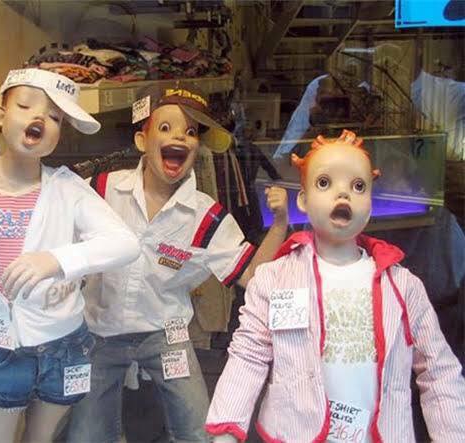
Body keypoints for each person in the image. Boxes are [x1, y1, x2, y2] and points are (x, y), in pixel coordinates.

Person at [0, 68, 140, 442]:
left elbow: (125, 243)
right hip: (3, 341)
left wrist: (55, 260)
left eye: (55, 117)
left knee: (41, 438)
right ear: (0, 114)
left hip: (66, 343)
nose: (40, 117)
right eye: (25, 105)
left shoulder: (67, 188)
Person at [205, 130, 465, 442]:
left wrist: (452, 434)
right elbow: (249, 355)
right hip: (295, 433)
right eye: (324, 183)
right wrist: (226, 428)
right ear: (303, 200)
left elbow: (438, 370)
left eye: (358, 186)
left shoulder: (402, 286)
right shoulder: (274, 279)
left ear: (370, 203)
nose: (343, 194)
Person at [66, 84, 289, 442]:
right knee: (86, 436)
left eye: (191, 132)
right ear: (142, 140)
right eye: (166, 127)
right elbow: (58, 232)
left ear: (197, 147)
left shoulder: (206, 216)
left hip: (166, 333)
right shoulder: (101, 189)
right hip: (100, 332)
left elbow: (252, 276)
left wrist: (279, 225)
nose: (180, 137)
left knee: (198, 430)